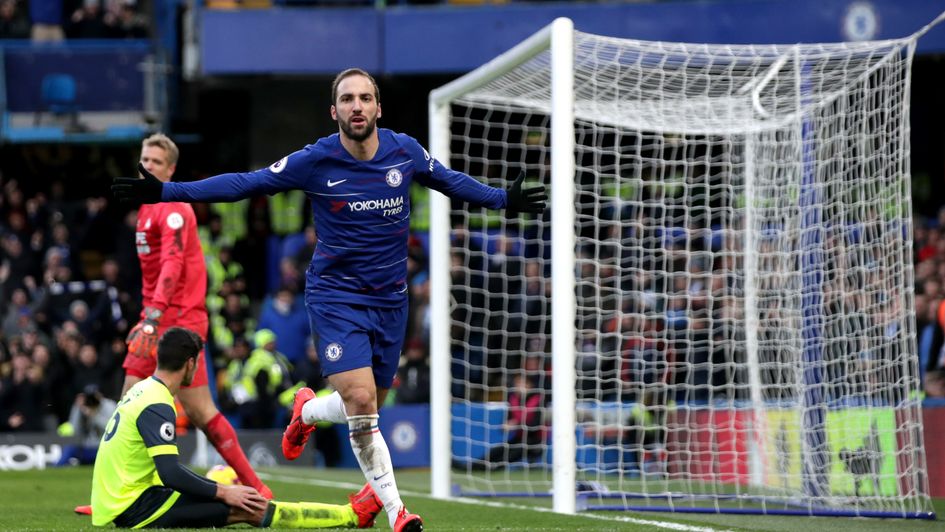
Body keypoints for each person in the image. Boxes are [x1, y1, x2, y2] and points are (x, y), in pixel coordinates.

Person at [112, 67, 547, 532]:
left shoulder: (405, 152)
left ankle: (307, 411)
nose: (356, 106)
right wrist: (165, 192)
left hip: (391, 302)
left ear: (378, 108)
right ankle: (398, 514)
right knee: (361, 399)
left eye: (364, 98)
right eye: (347, 99)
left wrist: (502, 199)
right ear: (334, 110)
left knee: (366, 406)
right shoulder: (316, 160)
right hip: (336, 297)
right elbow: (246, 183)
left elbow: (451, 180)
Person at [90, 327, 385, 529]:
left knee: (234, 495)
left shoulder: (141, 390)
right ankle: (350, 516)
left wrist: (215, 490)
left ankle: (349, 513)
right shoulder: (158, 402)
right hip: (136, 506)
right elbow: (170, 472)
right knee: (248, 506)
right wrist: (222, 492)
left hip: (123, 499)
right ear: (190, 364)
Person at [119, 133, 272, 498]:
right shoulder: (145, 208)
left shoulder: (173, 208)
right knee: (128, 403)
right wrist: (150, 316)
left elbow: (172, 264)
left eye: (156, 162)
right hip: (154, 318)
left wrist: (154, 317)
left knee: (201, 412)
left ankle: (256, 487)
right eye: (144, 160)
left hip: (179, 321)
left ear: (170, 170)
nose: (147, 167)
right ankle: (121, 493)